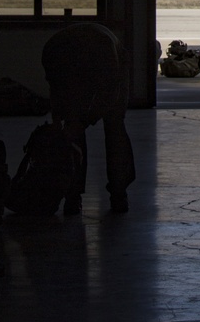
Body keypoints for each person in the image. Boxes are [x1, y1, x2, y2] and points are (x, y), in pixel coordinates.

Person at [40, 22, 134, 214]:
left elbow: (110, 95)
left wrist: (82, 122)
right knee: (73, 131)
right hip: (85, 57)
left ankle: (118, 192)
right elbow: (56, 91)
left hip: (111, 62)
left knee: (114, 124)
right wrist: (59, 122)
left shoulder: (105, 54)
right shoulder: (52, 54)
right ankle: (73, 196)